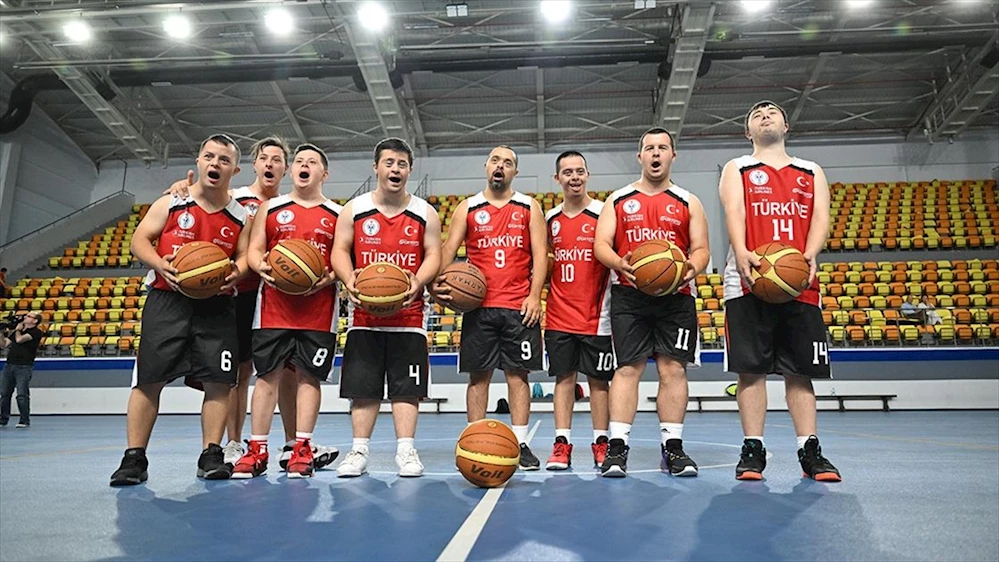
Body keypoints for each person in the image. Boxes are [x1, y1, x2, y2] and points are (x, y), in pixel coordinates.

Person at [166, 137, 338, 471]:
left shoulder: (292, 206)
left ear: (284, 169)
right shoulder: (235, 198)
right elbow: (205, 198)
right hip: (239, 293)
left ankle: (294, 443)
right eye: (264, 158)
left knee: (290, 372)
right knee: (241, 372)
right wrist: (181, 188)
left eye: (277, 159)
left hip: (284, 295)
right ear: (254, 164)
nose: (270, 163)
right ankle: (235, 442)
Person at [110, 134, 250, 486]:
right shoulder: (173, 202)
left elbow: (245, 254)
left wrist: (237, 270)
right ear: (199, 162)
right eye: (209, 156)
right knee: (149, 379)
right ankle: (134, 457)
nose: (215, 163)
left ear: (234, 170)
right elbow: (139, 240)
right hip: (167, 299)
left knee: (219, 381)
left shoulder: (240, 216)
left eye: (224, 160)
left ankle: (211, 453)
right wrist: (161, 264)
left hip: (216, 303)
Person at [719, 100, 841, 482]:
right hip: (748, 277)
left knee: (800, 372)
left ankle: (810, 449)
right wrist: (741, 251)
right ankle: (752, 449)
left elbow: (820, 216)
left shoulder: (811, 170)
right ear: (747, 132)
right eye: (756, 114)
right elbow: (734, 212)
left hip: (798, 280)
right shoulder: (737, 167)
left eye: (772, 112)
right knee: (750, 371)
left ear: (786, 126)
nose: (765, 115)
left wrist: (810, 254)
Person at [594, 127, 710, 478]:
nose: (656, 153)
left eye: (662, 147)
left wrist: (691, 269)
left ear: (673, 155)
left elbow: (701, 249)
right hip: (629, 294)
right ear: (640, 156)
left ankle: (673, 447)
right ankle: (617, 447)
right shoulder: (618, 199)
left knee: (673, 369)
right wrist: (619, 263)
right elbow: (601, 244)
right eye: (649, 148)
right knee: (627, 369)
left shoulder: (688, 201)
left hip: (676, 296)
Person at [331, 138, 442, 478]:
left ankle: (406, 450)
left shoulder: (425, 212)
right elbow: (340, 250)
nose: (395, 169)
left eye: (402, 164)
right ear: (376, 167)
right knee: (362, 389)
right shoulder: (355, 209)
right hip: (364, 316)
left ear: (410, 170)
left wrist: (418, 280)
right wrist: (349, 279)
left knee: (407, 390)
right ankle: (359, 450)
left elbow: (434, 254)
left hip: (409, 317)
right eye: (389, 163)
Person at [432, 145, 548, 470]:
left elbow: (540, 254)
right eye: (495, 161)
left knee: (518, 375)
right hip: (478, 307)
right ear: (486, 167)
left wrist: (535, 295)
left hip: (518, 305)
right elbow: (448, 250)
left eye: (507, 163)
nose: (500, 166)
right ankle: (472, 439)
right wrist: (433, 283)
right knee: (478, 377)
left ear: (515, 172)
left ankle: (520, 443)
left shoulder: (528, 206)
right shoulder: (468, 208)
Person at [231, 143, 341, 479]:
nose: (304, 165)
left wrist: (330, 277)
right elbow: (254, 250)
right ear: (292, 171)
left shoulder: (338, 213)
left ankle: (301, 447)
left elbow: (342, 257)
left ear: (324, 173)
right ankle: (257, 449)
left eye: (313, 162)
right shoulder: (272, 208)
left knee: (309, 376)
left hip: (319, 308)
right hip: (273, 307)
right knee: (267, 376)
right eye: (300, 161)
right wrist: (260, 266)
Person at [542, 151, 614, 470]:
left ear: (587, 175)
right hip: (559, 313)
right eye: (568, 172)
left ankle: (601, 442)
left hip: (598, 315)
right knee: (564, 379)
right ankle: (561, 443)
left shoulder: (604, 213)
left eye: (579, 171)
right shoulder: (549, 219)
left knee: (599, 381)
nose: (574, 177)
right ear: (557, 178)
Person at [0, 311, 43, 428]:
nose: (25, 317)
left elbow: (20, 340)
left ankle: (24, 420)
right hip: (9, 365)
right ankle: (3, 419)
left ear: (35, 321)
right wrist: (1, 333)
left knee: (22, 394)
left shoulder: (36, 332)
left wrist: (18, 330)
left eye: (29, 316)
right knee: (4, 393)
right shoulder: (17, 332)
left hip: (24, 366)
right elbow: (4, 344)